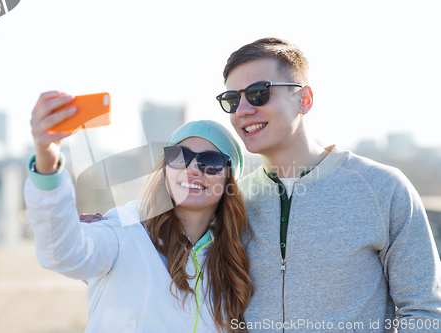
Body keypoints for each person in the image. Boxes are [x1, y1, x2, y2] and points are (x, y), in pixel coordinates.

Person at [215, 37, 441, 332]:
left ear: (304, 99)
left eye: (259, 94)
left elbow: (424, 310)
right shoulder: (235, 200)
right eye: (232, 99)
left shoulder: (382, 188)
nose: (242, 109)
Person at [24, 91, 253, 333]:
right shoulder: (125, 231)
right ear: (166, 170)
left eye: (211, 161)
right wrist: (47, 165)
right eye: (179, 156)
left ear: (230, 179)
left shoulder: (236, 258)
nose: (193, 168)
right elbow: (63, 253)